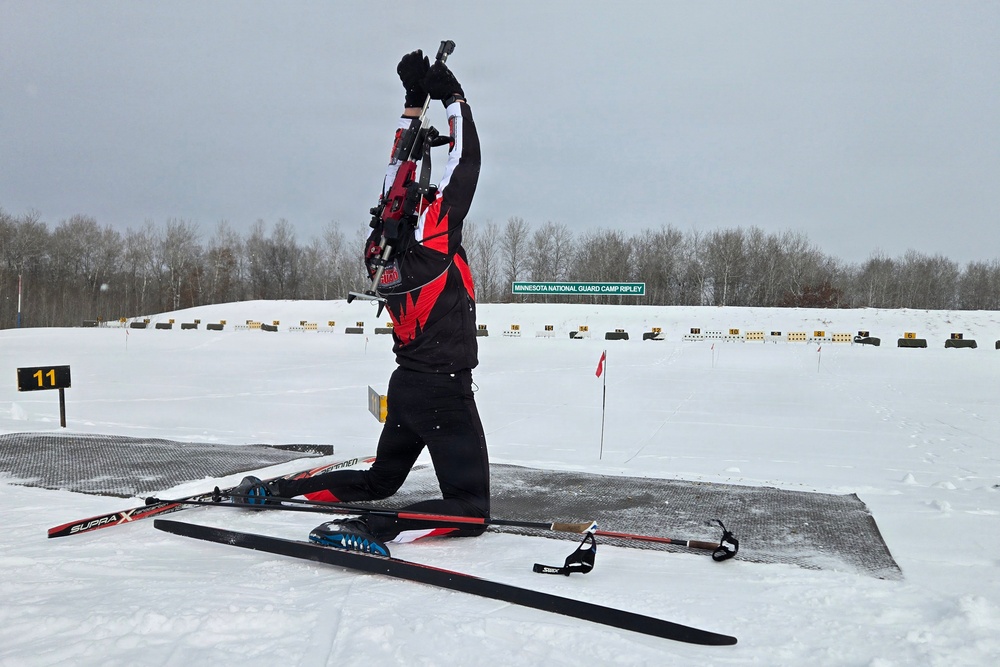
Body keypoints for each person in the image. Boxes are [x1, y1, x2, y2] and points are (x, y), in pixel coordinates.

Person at [233, 50, 488, 556]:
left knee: (380, 479)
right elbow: (466, 162)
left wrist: (413, 103)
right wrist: (453, 98)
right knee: (472, 510)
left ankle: (275, 492)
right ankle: (371, 529)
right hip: (443, 392)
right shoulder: (433, 240)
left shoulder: (379, 250)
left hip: (407, 386)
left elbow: (396, 175)